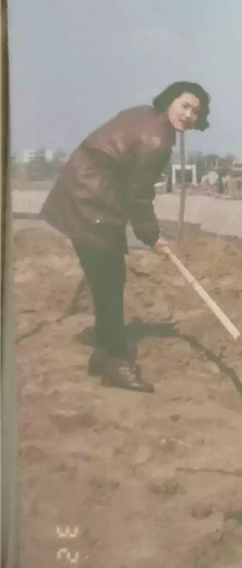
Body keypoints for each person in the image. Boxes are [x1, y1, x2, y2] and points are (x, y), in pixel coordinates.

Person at [41, 81, 211, 393]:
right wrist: (153, 237)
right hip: (92, 200)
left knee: (107, 281)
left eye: (195, 112)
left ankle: (102, 353)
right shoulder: (157, 140)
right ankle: (116, 362)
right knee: (108, 282)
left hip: (81, 188)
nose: (188, 115)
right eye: (184, 105)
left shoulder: (144, 114)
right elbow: (139, 195)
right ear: (170, 101)